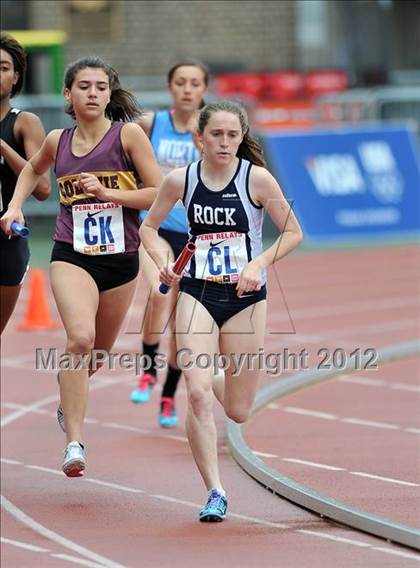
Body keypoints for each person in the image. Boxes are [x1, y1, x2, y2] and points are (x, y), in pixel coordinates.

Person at [140, 100, 303, 522]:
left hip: (246, 298)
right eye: (217, 134)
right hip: (197, 292)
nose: (225, 142)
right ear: (200, 138)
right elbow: (149, 228)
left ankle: (215, 377)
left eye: (233, 135)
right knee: (195, 394)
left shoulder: (257, 180)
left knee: (237, 410)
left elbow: (293, 233)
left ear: (241, 138)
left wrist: (258, 263)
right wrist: (161, 259)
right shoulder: (181, 180)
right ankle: (215, 489)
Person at [0, 56, 161, 477]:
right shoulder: (57, 139)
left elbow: (160, 195)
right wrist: (15, 206)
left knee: (97, 354)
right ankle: (74, 442)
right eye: (84, 86)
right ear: (68, 94)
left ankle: (67, 395)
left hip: (120, 260)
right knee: (80, 338)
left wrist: (110, 194)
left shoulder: (127, 137)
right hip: (72, 254)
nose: (93, 93)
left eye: (101, 87)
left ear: (110, 94)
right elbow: (32, 171)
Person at [130, 60, 208, 428]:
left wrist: (205, 148)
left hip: (196, 238)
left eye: (195, 83)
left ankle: (167, 396)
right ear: (170, 87)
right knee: (160, 294)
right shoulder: (152, 123)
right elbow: (120, 144)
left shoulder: (211, 131)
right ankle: (147, 371)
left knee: (182, 324)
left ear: (204, 90)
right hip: (156, 228)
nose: (188, 89)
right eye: (181, 82)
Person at [0, 34, 50, 334]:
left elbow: (43, 188)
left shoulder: (24, 123)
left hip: (5, 240)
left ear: (15, 76)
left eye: (4, 67)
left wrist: (3, 149)